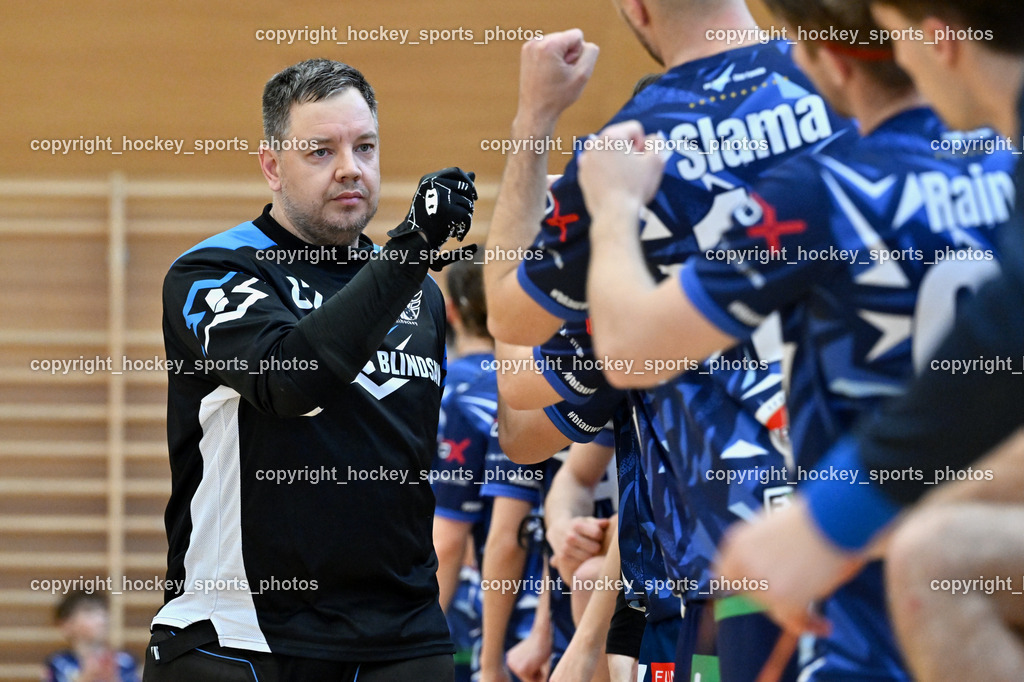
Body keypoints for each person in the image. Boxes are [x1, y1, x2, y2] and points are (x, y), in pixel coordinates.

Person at [575, 1, 1016, 679]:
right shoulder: (1001, 167)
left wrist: (612, 211)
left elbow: (630, 348)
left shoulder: (827, 190)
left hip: (863, 606)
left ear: (829, 64)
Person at [484, 4, 848, 679]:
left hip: (738, 567)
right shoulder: (843, 91)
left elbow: (510, 323)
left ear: (637, 7)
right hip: (885, 524)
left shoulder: (628, 155)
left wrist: (534, 121)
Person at [145, 58, 477, 681]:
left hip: (404, 636)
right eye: (321, 150)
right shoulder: (214, 271)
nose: (350, 167)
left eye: (365, 147)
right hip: (240, 632)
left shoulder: (421, 293)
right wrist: (410, 252)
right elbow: (288, 380)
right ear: (273, 166)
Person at [707, 0, 1024, 645]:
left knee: (936, 566)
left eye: (898, 38)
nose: (898, 59)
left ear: (939, 41)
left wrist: (832, 514)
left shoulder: (822, 186)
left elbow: (1004, 327)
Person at [44, 591, 138, 682]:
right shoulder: (59, 663)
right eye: (89, 611)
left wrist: (111, 679)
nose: (101, 618)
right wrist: (86, 679)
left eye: (103, 611)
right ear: (66, 624)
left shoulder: (124, 662)